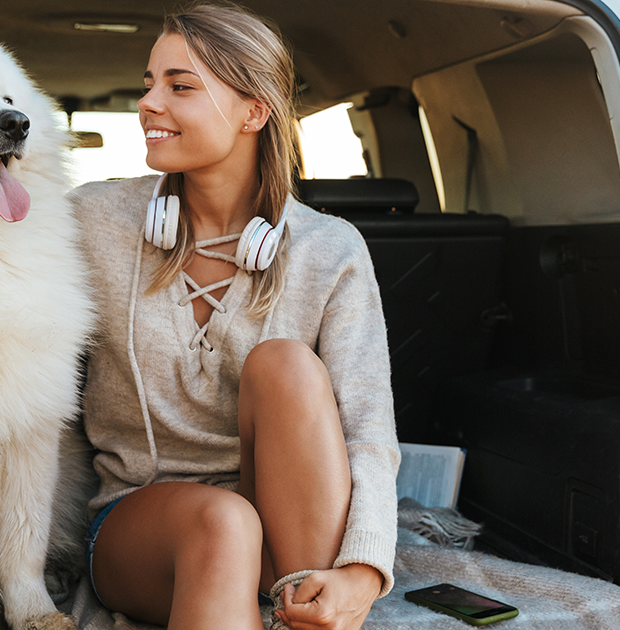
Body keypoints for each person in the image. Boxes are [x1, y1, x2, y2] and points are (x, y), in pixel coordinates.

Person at [69, 4, 399, 629]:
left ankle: (305, 608)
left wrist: (362, 572)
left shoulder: (331, 249)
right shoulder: (91, 221)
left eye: (180, 86)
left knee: (288, 366)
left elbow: (368, 431)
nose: (148, 102)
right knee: (225, 522)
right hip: (140, 525)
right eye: (150, 82)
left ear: (254, 111)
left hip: (288, 527)